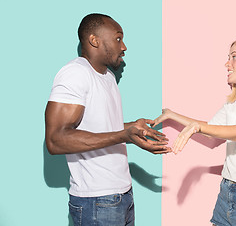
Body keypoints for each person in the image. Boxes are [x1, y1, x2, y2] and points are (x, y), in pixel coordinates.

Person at [45, 13, 171, 226]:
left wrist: (132, 129)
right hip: (96, 200)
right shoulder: (75, 74)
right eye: (118, 38)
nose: (124, 47)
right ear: (95, 40)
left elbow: (100, 127)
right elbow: (56, 140)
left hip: (121, 195)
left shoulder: (108, 77)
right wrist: (124, 135)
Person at [153, 37, 236, 226]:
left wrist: (196, 127)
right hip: (227, 191)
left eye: (234, 57)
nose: (227, 64)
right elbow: (210, 130)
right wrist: (172, 115)